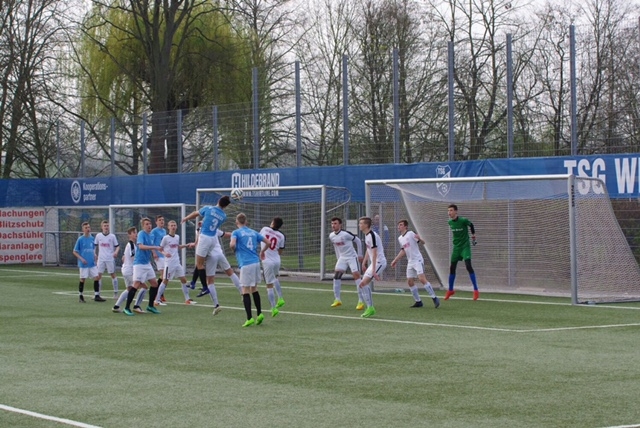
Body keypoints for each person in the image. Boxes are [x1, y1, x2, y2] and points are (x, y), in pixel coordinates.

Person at [181, 195, 231, 306]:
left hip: (204, 238)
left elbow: (195, 213)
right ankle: (193, 282)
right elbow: (212, 222)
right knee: (201, 262)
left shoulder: (208, 208)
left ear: (218, 200)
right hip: (213, 240)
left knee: (199, 264)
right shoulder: (224, 216)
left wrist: (186, 218)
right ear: (225, 206)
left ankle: (205, 287)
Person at [390, 220, 440, 308]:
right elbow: (403, 250)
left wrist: (420, 239)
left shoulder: (410, 233)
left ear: (406, 226)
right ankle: (418, 301)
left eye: (401, 225)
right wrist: (395, 260)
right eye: (398, 225)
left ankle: (434, 297)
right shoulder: (400, 238)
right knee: (410, 281)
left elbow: (423, 242)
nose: (399, 226)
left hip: (417, 260)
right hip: (410, 261)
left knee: (421, 278)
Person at [230, 213, 267, 327]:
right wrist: (262, 251)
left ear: (237, 222)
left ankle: (249, 318)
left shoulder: (236, 232)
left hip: (246, 263)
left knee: (245, 289)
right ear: (246, 222)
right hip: (256, 262)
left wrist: (234, 249)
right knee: (254, 288)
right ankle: (259, 314)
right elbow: (268, 242)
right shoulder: (254, 232)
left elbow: (232, 244)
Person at [122, 217, 163, 315]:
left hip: (147, 263)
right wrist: (154, 247)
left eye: (150, 224)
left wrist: (157, 252)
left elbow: (152, 247)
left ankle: (150, 306)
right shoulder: (141, 234)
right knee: (136, 285)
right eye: (147, 224)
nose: (149, 226)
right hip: (139, 264)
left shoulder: (151, 235)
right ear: (143, 226)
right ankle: (127, 308)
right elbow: (141, 246)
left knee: (154, 284)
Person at [154, 220, 197, 306]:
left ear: (176, 227)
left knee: (183, 279)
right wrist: (165, 253)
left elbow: (178, 246)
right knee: (165, 280)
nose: (173, 227)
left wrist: (186, 245)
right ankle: (157, 300)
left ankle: (187, 299)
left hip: (177, 262)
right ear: (168, 227)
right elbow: (160, 249)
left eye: (174, 225)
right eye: (171, 225)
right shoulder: (165, 238)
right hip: (169, 263)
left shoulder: (177, 237)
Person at [328, 217, 364, 308]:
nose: (333, 225)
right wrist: (338, 258)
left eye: (335, 223)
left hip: (352, 257)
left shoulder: (346, 234)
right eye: (332, 223)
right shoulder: (331, 236)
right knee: (336, 276)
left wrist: (360, 254)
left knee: (356, 276)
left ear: (340, 225)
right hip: (342, 258)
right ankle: (337, 299)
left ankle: (361, 301)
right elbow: (336, 247)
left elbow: (358, 241)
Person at [445, 204, 479, 301]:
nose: (449, 212)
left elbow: (471, 225)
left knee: (468, 266)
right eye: (448, 211)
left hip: (465, 246)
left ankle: (476, 290)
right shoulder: (449, 222)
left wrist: (473, 236)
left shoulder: (463, 220)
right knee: (452, 268)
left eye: (451, 210)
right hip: (456, 247)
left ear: (456, 211)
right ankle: (450, 290)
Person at [358, 216, 387, 318]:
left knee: (363, 284)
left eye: (361, 223)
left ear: (366, 225)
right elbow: (368, 250)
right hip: (374, 263)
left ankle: (370, 308)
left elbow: (374, 253)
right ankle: (370, 307)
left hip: (379, 262)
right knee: (362, 284)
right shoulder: (367, 235)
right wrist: (364, 262)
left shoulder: (372, 235)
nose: (359, 225)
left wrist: (374, 270)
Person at [72, 222, 106, 302]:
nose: (88, 229)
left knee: (96, 277)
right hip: (84, 264)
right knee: (83, 279)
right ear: (83, 229)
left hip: (92, 263)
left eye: (88, 227)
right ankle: (80, 296)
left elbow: (93, 249)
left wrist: (95, 255)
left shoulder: (92, 238)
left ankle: (97, 295)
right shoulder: (80, 239)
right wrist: (81, 259)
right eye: (86, 228)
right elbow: (74, 251)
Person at [259, 217, 286, 317]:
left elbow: (259, 239)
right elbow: (280, 251)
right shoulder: (281, 236)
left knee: (269, 284)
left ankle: (273, 308)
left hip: (267, 260)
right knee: (275, 278)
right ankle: (280, 298)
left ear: (273, 223)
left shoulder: (264, 229)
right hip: (277, 260)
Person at [112, 227, 141, 313]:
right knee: (142, 286)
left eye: (136, 232)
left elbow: (124, 257)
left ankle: (116, 306)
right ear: (129, 235)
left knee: (129, 289)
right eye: (134, 233)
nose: (136, 234)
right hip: (129, 270)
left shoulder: (131, 245)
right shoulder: (131, 245)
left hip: (126, 269)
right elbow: (133, 257)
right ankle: (136, 306)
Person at [94, 220, 120, 299]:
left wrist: (116, 252)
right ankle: (97, 293)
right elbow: (94, 246)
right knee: (98, 275)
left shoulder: (112, 236)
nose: (106, 227)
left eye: (107, 226)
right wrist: (94, 254)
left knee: (113, 274)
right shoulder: (98, 236)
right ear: (102, 227)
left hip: (110, 258)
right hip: (101, 259)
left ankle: (116, 293)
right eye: (104, 226)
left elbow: (117, 246)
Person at [150, 215, 167, 304]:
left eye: (163, 220)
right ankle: (158, 295)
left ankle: (160, 293)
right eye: (160, 220)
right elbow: (151, 243)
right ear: (156, 222)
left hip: (164, 255)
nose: (162, 221)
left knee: (165, 276)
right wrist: (154, 252)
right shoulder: (154, 231)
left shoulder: (164, 231)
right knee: (163, 275)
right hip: (158, 255)